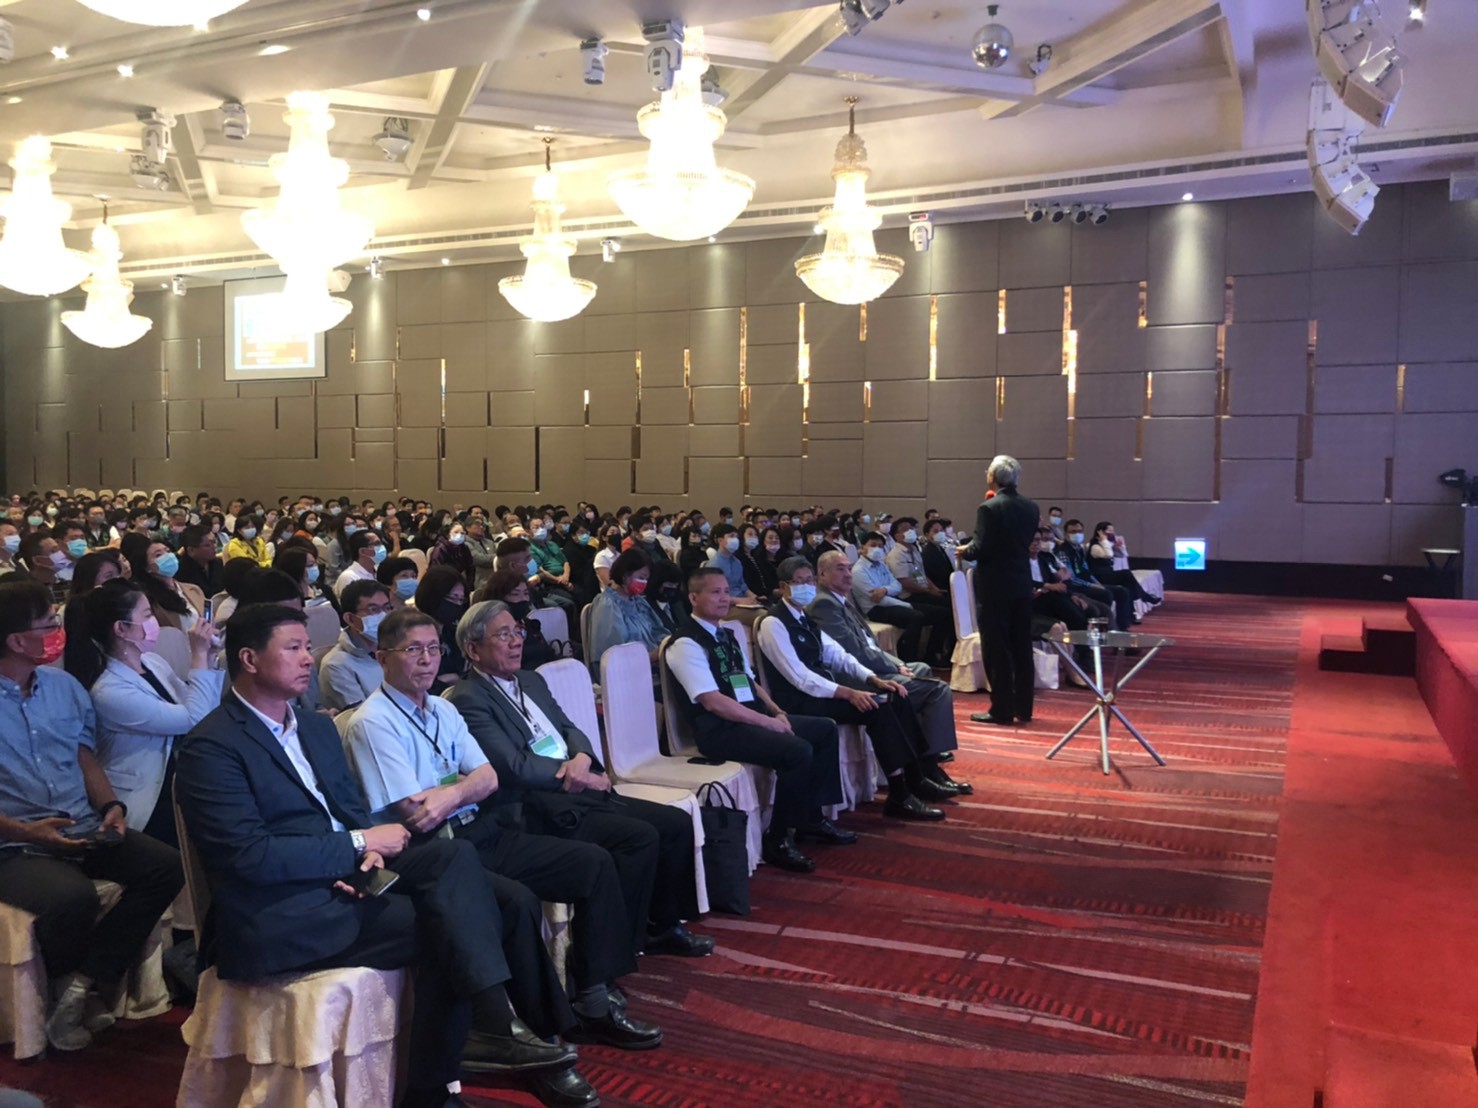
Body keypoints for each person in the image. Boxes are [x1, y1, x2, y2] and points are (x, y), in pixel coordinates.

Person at [174, 604, 578, 1108]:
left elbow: (349, 811)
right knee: (451, 923)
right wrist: (357, 846)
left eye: (308, 647)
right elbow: (248, 857)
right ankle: (444, 1079)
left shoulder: (315, 727)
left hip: (346, 872)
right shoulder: (212, 746)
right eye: (294, 648)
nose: (308, 658)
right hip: (282, 907)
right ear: (249, 659)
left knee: (459, 864)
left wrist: (364, 852)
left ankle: (497, 1030)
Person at [344, 608, 661, 1091]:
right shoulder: (374, 722)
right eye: (412, 650)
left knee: (592, 863)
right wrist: (463, 788)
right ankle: (542, 1039)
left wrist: (452, 793)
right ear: (382, 657)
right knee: (517, 901)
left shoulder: (442, 708)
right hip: (436, 849)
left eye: (432, 649)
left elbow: (489, 777)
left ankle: (594, 996)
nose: (427, 660)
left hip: (480, 830)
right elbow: (416, 812)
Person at [447, 602, 712, 971]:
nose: (516, 641)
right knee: (638, 837)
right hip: (538, 805)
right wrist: (576, 774)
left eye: (517, 631)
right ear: (473, 650)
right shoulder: (468, 697)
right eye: (502, 635)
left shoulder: (531, 680)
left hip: (577, 787)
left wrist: (584, 758)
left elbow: (570, 729)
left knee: (675, 823)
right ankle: (618, 944)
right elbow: (513, 766)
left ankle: (661, 926)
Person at [0, 577, 183, 1053]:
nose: (58, 630)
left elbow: (84, 756)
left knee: (165, 866)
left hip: (80, 823)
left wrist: (111, 806)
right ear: (16, 641)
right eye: (47, 624)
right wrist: (28, 832)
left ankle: (84, 982)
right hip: (14, 843)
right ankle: (65, 987)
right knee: (71, 897)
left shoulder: (63, 688)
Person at [666, 567, 846, 874]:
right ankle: (778, 839)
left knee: (823, 729)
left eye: (726, 591)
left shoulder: (725, 634)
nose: (724, 598)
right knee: (796, 750)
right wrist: (768, 723)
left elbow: (749, 682)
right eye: (715, 592)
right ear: (693, 598)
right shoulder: (685, 644)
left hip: (749, 717)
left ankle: (811, 819)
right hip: (719, 730)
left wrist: (776, 711)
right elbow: (713, 702)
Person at [757, 558, 950, 822]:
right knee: (878, 708)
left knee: (896, 696)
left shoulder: (804, 617)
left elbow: (838, 655)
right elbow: (799, 677)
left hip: (824, 691)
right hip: (799, 699)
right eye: (799, 582)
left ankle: (917, 777)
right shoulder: (773, 623)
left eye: (809, 581)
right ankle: (899, 794)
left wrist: (872, 678)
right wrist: (848, 692)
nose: (806, 587)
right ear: (783, 587)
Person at [65, 579, 224, 845]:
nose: (154, 622)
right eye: (147, 615)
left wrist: (207, 658)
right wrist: (197, 655)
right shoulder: (109, 690)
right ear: (121, 628)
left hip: (184, 776)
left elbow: (201, 708)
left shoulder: (151, 662)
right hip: (149, 794)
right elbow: (193, 719)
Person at [808, 551, 966, 770]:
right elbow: (854, 652)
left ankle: (918, 743)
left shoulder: (840, 600)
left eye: (849, 568)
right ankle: (928, 760)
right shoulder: (823, 604)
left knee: (921, 668)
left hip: (870, 665)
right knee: (938, 690)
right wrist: (893, 667)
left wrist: (898, 664)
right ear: (822, 574)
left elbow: (871, 644)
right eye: (840, 569)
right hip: (855, 677)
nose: (848, 574)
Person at [958, 455, 1040, 726]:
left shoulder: (989, 507)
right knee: (1021, 645)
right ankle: (1024, 707)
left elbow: (981, 549)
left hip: (995, 586)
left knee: (996, 647)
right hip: (1022, 582)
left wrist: (964, 550)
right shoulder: (1031, 506)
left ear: (992, 477)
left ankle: (1002, 709)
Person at [586, 549, 668, 682]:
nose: (644, 583)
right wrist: (651, 657)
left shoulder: (638, 601)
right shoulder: (608, 605)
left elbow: (658, 631)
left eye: (646, 579)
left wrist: (667, 644)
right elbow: (614, 654)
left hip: (652, 666)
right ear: (625, 575)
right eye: (641, 578)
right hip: (626, 676)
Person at [883, 518, 955, 666]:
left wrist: (934, 588)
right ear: (897, 536)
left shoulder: (914, 550)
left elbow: (921, 574)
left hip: (921, 592)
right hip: (907, 597)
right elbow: (904, 582)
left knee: (950, 604)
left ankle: (943, 651)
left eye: (911, 528)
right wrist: (927, 591)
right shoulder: (896, 555)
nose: (911, 531)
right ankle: (931, 654)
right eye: (905, 529)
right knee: (944, 613)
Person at [850, 532, 930, 664]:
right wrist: (905, 604)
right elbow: (877, 599)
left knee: (935, 613)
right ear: (862, 547)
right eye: (873, 545)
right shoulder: (858, 571)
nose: (877, 549)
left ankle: (929, 654)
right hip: (875, 609)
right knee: (915, 616)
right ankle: (909, 659)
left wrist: (885, 590)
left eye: (880, 546)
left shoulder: (881, 565)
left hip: (892, 602)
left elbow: (897, 586)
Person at [319, 579, 392, 713]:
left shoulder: (396, 648)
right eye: (373, 609)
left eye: (387, 608)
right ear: (350, 619)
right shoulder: (336, 665)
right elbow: (362, 718)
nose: (383, 616)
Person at [119, 532, 204, 631]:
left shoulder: (194, 589)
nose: (167, 556)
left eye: (168, 551)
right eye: (158, 555)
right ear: (147, 567)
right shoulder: (147, 600)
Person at [414, 565, 471, 695]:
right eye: (453, 598)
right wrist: (447, 680)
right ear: (434, 596)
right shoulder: (412, 634)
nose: (457, 604)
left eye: (461, 600)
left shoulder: (455, 633)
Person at [1089, 521, 1161, 606]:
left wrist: (1121, 547)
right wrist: (1105, 541)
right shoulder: (1095, 546)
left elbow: (1123, 555)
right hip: (1099, 576)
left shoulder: (1107, 545)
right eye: (1110, 531)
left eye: (1113, 531)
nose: (1113, 533)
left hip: (1108, 574)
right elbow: (1108, 555)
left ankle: (1131, 610)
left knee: (1128, 585)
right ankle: (1145, 596)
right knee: (1126, 573)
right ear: (1100, 532)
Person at [174, 524, 223, 599]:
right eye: (208, 545)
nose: (214, 546)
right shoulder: (180, 571)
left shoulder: (218, 563)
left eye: (214, 542)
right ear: (191, 550)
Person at [334, 528, 386, 598]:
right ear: (363, 551)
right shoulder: (349, 577)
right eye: (377, 544)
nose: (382, 547)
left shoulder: (378, 570)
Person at [704, 524, 751, 599]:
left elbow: (742, 585)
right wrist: (739, 601)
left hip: (742, 599)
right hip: (727, 602)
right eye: (731, 536)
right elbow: (716, 594)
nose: (735, 540)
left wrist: (755, 597)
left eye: (736, 537)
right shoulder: (714, 565)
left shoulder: (737, 562)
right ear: (720, 540)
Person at [430, 519, 476, 591]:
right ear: (448, 534)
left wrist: (468, 585)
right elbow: (436, 569)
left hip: (459, 581)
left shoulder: (464, 548)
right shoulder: (441, 548)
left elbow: (470, 567)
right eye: (456, 532)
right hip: (443, 583)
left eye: (462, 533)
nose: (459, 535)